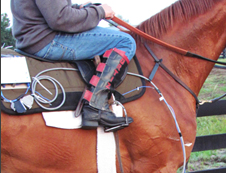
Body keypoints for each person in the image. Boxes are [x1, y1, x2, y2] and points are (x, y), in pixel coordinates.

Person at [11, 0, 136, 131]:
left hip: (34, 39)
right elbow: (60, 19)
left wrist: (80, 8)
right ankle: (96, 106)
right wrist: (100, 12)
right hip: (48, 40)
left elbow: (51, 9)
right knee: (126, 41)